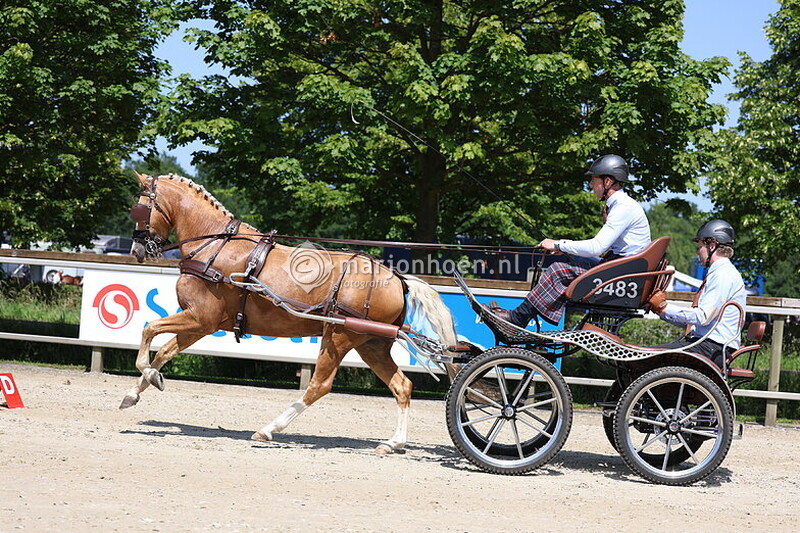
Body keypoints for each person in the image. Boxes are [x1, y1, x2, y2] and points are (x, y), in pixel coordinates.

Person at [487, 154, 651, 326]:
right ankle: (528, 314)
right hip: (621, 270)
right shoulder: (622, 205)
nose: (590, 185)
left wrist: (558, 243)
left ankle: (517, 318)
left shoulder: (623, 207)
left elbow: (597, 247)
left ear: (607, 182)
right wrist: (564, 249)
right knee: (570, 259)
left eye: (594, 180)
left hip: (622, 276)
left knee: (557, 270)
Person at [648, 220, 747, 368]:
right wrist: (660, 311)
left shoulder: (723, 275)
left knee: (650, 357)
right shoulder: (718, 273)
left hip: (712, 348)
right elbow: (694, 323)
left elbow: (703, 317)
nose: (697, 252)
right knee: (650, 355)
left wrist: (664, 307)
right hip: (707, 345)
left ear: (712, 246)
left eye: (700, 247)